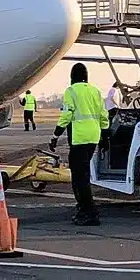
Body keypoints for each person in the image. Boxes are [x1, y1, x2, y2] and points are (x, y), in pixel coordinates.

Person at [50, 62, 109, 226]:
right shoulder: (95, 91)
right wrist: (104, 136)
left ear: (72, 77)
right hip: (93, 137)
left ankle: (89, 212)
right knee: (82, 174)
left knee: (79, 177)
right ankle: (84, 208)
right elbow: (104, 116)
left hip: (80, 138)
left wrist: (55, 135)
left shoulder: (71, 91)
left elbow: (67, 115)